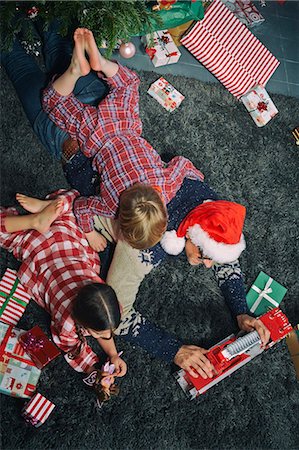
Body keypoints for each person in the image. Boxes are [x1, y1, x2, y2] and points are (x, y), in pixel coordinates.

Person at [1, 24, 270, 380]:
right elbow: (116, 312)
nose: (207, 265)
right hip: (68, 135)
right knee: (18, 61)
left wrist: (241, 311)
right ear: (187, 234)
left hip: (106, 101)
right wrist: (172, 349)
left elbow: (221, 246)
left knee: (58, 40)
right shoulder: (142, 241)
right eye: (205, 255)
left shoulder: (198, 193)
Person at [42, 28, 205, 251]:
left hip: (124, 125)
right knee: (53, 103)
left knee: (129, 84)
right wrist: (89, 233)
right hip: (95, 137)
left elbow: (183, 163)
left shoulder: (167, 186)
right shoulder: (110, 206)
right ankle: (73, 71)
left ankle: (102, 63)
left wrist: (198, 177)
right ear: (119, 219)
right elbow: (81, 207)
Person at [0, 190, 127, 377]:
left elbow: (103, 327)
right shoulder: (67, 323)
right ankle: (34, 221)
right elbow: (72, 349)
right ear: (81, 322)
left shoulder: (97, 287)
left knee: (72, 200)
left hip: (63, 234)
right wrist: (92, 370)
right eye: (98, 334)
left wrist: (113, 354)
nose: (105, 337)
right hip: (32, 244)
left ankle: (40, 215)